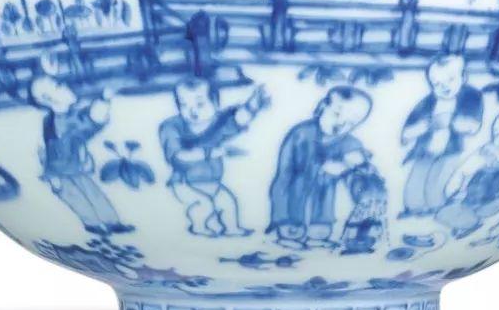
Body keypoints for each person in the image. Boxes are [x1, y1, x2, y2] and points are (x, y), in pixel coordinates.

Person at [159, 78, 270, 237]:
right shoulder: (173, 127)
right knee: (204, 205)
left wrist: (253, 104)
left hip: (213, 181)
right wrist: (211, 153)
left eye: (200, 104)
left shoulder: (216, 123)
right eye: (184, 105)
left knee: (228, 203)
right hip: (185, 183)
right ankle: (198, 227)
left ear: (215, 104)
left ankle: (232, 229)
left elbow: (238, 119)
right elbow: (178, 156)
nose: (192, 111)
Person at [268, 87, 373, 250]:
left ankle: (318, 235)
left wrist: (355, 162)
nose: (341, 124)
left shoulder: (344, 139)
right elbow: (296, 165)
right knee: (291, 210)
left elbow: (356, 153)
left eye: (350, 123)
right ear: (323, 106)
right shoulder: (302, 133)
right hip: (294, 182)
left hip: (323, 189)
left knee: (322, 217)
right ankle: (289, 234)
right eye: (337, 114)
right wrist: (324, 167)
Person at [30, 73, 125, 233]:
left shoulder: (62, 118)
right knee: (76, 198)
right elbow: (86, 127)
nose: (66, 86)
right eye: (59, 85)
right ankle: (93, 224)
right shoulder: (59, 122)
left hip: (73, 167)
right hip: (60, 172)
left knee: (92, 194)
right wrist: (104, 100)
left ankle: (111, 222)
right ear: (48, 98)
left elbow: (85, 123)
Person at [400, 54, 483, 215]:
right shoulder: (426, 103)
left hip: (450, 150)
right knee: (416, 180)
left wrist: (451, 121)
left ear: (463, 77)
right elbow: (407, 132)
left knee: (438, 182)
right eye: (437, 84)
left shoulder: (471, 97)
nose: (444, 87)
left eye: (450, 79)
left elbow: (473, 126)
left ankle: (436, 208)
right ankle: (414, 208)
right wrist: (421, 128)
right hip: (425, 150)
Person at [435, 104, 499, 238]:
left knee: (486, 209)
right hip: (476, 187)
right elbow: (465, 169)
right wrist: (457, 188)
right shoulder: (488, 150)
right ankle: (464, 224)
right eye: (497, 133)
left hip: (496, 189)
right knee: (467, 206)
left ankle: (469, 225)